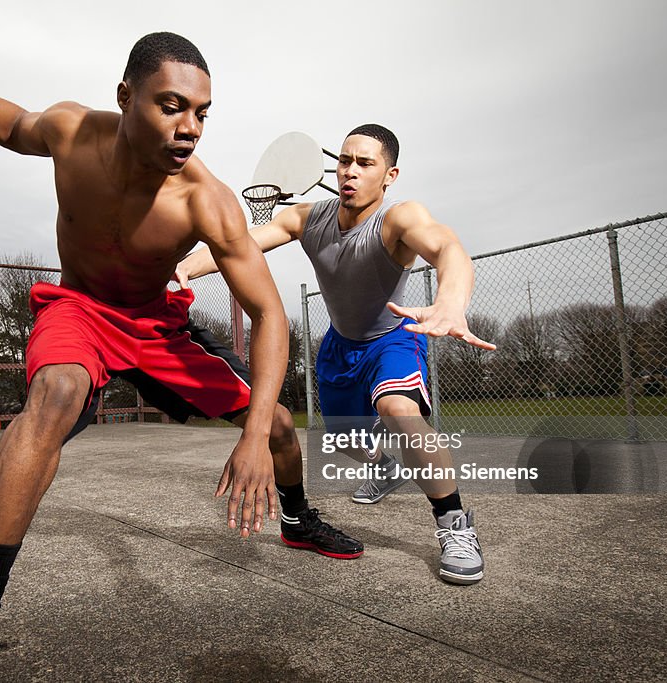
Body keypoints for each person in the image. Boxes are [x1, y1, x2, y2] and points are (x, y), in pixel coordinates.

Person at [0, 33, 362, 682]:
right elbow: (11, 124)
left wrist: (250, 435)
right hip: (78, 312)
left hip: (157, 330)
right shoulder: (72, 131)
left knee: (275, 425)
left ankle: (299, 520)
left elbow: (271, 315)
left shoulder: (205, 199)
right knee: (50, 402)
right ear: (125, 97)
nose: (189, 127)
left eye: (201, 112)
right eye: (171, 105)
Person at [176, 124, 496, 586]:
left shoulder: (398, 219)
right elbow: (239, 245)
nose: (351, 171)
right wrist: (188, 265)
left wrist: (451, 301)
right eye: (345, 160)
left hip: (391, 339)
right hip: (339, 347)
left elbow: (446, 246)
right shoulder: (309, 219)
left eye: (365, 163)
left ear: (390, 175)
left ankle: (454, 524)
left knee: (400, 412)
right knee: (345, 444)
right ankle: (384, 468)